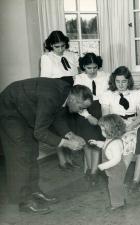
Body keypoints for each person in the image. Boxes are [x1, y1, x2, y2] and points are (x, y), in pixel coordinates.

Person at [0, 78, 92, 214]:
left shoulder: (66, 92)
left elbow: (57, 116)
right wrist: (67, 143)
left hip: (24, 111)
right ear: (73, 100)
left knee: (31, 151)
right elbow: (40, 132)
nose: (81, 111)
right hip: (9, 112)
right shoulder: (51, 97)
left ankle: (33, 191)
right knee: (20, 155)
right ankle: (24, 201)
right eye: (81, 108)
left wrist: (71, 135)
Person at [40, 30, 80, 169]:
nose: (60, 49)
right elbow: (45, 81)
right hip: (56, 94)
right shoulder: (46, 58)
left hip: (71, 94)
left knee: (70, 127)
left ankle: (70, 159)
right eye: (57, 46)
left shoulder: (71, 55)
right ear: (51, 45)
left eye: (63, 46)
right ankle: (63, 161)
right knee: (59, 127)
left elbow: (76, 76)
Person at [74, 53, 109, 186]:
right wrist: (87, 116)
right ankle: (90, 169)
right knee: (87, 142)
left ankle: (94, 172)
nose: (93, 70)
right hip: (84, 111)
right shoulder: (79, 78)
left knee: (97, 140)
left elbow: (108, 96)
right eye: (89, 68)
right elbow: (77, 100)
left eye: (95, 67)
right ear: (84, 67)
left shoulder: (105, 76)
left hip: (101, 109)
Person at [99, 66, 140, 169]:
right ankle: (114, 171)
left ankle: (122, 173)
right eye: (118, 81)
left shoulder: (137, 94)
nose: (121, 84)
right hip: (114, 124)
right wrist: (118, 127)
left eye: (124, 81)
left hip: (133, 124)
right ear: (114, 81)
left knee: (130, 139)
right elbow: (106, 117)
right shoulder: (107, 95)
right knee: (114, 142)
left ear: (129, 81)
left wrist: (130, 126)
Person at [89, 114, 127, 211]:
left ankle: (117, 204)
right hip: (114, 168)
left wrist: (103, 166)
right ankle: (121, 199)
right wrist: (97, 143)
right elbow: (106, 146)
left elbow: (116, 159)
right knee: (118, 185)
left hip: (116, 168)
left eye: (102, 130)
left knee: (113, 186)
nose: (101, 132)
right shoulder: (110, 140)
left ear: (111, 130)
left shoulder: (115, 143)